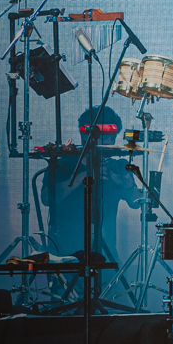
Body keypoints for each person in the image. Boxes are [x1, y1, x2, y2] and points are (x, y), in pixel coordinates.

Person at [39, 106, 142, 261]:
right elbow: (47, 198)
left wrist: (128, 185)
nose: (112, 141)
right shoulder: (63, 164)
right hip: (65, 251)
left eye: (114, 136)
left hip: (104, 251)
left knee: (111, 280)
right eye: (107, 136)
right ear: (88, 136)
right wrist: (82, 177)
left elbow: (136, 203)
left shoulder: (117, 166)